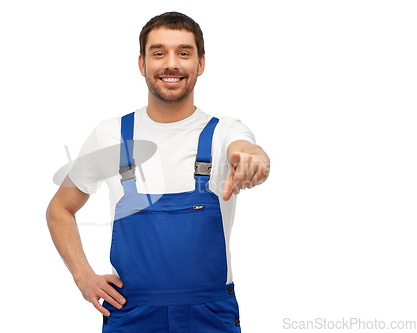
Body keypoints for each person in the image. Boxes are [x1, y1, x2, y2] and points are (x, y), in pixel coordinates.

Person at [47, 11, 270, 333]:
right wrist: (83, 276)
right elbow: (59, 208)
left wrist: (255, 162)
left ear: (201, 64)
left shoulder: (224, 131)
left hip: (210, 315)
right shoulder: (110, 134)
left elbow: (250, 152)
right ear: (142, 64)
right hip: (131, 312)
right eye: (159, 52)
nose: (171, 63)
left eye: (184, 53)